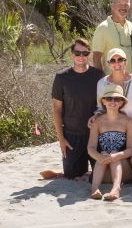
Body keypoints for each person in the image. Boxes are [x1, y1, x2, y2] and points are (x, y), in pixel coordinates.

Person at [51, 38, 104, 179]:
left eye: (85, 53)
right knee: (72, 175)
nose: (81, 56)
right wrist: (61, 139)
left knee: (102, 176)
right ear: (72, 54)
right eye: (77, 53)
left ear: (89, 55)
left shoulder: (98, 75)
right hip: (72, 136)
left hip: (95, 135)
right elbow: (56, 110)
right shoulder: (61, 78)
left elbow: (106, 104)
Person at [87, 84, 132, 201]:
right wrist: (99, 157)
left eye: (117, 99)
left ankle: (116, 189)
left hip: (123, 170)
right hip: (103, 170)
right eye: (109, 98)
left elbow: (131, 149)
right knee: (103, 154)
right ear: (104, 102)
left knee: (114, 154)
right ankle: (94, 188)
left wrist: (117, 155)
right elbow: (90, 148)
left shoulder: (128, 121)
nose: (112, 102)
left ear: (121, 102)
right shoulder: (98, 122)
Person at [92, 0, 132, 73]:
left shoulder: (131, 26)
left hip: (131, 78)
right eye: (119, 4)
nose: (123, 7)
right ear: (112, 6)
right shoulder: (103, 28)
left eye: (126, 4)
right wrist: (101, 78)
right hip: (111, 79)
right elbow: (96, 58)